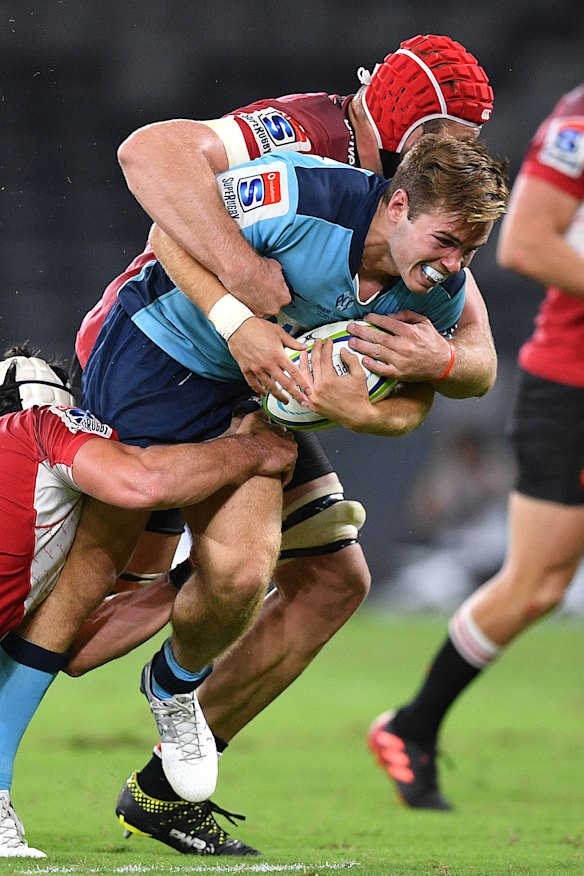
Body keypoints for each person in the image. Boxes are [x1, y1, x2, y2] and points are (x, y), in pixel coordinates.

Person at [72, 34, 502, 856]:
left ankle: (169, 781)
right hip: (172, 353)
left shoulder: (429, 220)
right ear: (398, 133)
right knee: (82, 611)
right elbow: (152, 153)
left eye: (465, 147)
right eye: (438, 144)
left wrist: (436, 363)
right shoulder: (303, 138)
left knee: (332, 581)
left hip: (262, 390)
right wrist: (241, 288)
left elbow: (473, 354)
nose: (451, 159)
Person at [368, 83, 584, 811]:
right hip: (575, 383)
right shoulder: (581, 120)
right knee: (538, 585)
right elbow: (525, 241)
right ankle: (412, 725)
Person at [0, 345, 297, 858]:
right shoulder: (38, 428)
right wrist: (254, 452)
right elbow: (143, 481)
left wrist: (196, 579)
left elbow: (69, 647)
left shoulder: (43, 508)